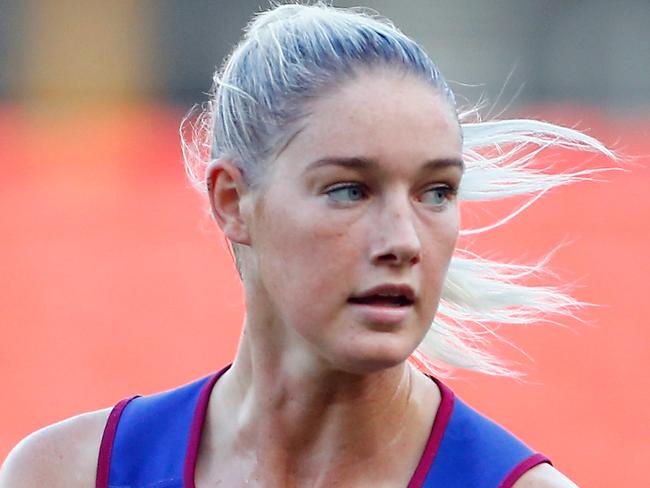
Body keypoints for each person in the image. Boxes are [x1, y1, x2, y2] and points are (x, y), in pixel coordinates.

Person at [1, 3, 613, 487]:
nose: (402, 240)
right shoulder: (69, 475)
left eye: (435, 192)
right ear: (233, 202)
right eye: (349, 190)